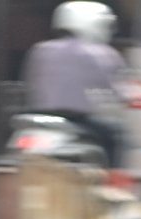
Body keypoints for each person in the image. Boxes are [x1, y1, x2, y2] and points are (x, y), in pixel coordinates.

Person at [24, 1, 125, 170]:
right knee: (117, 136)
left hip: (38, 117)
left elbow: (30, 82)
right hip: (76, 120)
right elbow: (114, 89)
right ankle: (112, 183)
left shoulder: (41, 49)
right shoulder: (99, 53)